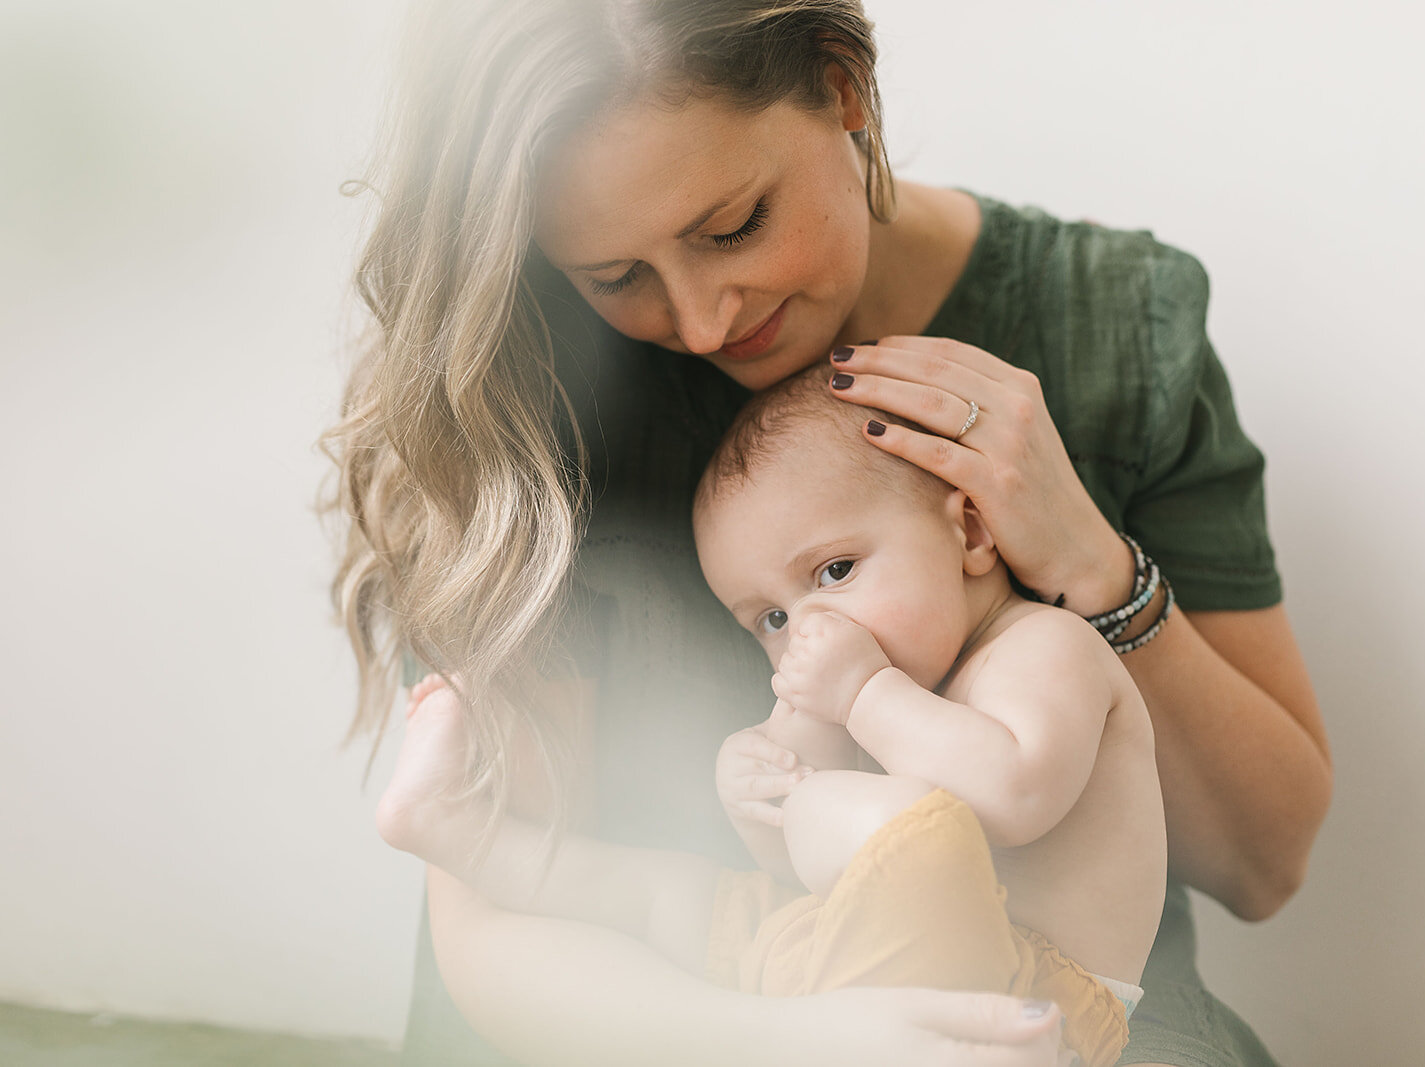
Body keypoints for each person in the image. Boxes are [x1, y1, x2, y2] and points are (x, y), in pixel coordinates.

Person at [323, 1, 1333, 1064]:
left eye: (733, 225)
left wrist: (1086, 559)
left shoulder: (1117, 325)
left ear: (841, 84)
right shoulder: (525, 400)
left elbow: (1264, 865)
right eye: (616, 277)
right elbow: (492, 934)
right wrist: (787, 1034)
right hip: (641, 1015)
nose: (705, 320)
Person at [375, 363, 1168, 1066]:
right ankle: (457, 827)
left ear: (967, 530)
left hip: (1028, 995)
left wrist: (859, 700)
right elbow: (802, 863)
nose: (810, 629)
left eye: (834, 570)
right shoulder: (884, 682)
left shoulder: (1043, 647)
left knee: (908, 822)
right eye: (770, 620)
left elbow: (1012, 796)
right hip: (839, 964)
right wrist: (763, 789)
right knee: (668, 893)